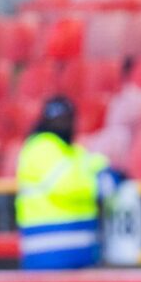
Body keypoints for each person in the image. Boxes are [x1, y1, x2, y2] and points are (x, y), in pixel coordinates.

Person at [15, 97, 113, 270]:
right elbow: (68, 186)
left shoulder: (70, 150)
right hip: (48, 254)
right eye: (58, 119)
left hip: (81, 252)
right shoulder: (41, 147)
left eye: (67, 118)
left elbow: (95, 163)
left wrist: (112, 173)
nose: (63, 124)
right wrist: (104, 184)